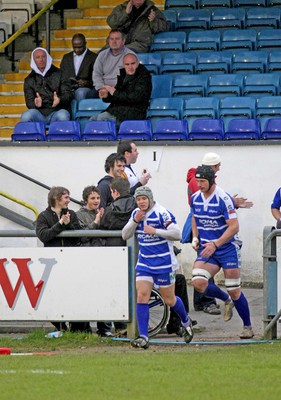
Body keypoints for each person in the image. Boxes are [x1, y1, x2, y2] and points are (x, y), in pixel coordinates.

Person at [122, 186, 194, 349]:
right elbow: (125, 235)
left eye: (143, 199)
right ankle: (144, 337)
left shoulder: (162, 213)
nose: (141, 202)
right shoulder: (136, 214)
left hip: (163, 263)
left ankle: (185, 321)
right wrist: (135, 221)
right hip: (144, 263)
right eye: (138, 199)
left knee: (169, 299)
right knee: (142, 297)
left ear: (150, 199)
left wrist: (155, 231)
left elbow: (177, 234)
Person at [190, 165, 254, 339]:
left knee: (234, 289)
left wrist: (216, 244)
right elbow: (195, 219)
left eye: (203, 181)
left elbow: (234, 227)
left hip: (226, 247)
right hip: (207, 247)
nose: (200, 185)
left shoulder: (223, 198)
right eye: (198, 181)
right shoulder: (195, 198)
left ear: (212, 181)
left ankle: (247, 326)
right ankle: (225, 300)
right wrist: (195, 237)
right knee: (198, 282)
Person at [36, 186, 83, 333]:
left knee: (73, 293)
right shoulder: (43, 216)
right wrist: (60, 224)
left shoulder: (72, 214)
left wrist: (67, 225)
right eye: (66, 197)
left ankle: (77, 329)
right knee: (51, 295)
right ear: (56, 199)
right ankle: (61, 326)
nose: (69, 200)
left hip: (69, 260)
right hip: (51, 262)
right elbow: (44, 235)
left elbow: (77, 236)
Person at [76, 185, 113, 337]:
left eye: (98, 198)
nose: (96, 201)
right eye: (93, 198)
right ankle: (83, 327)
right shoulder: (79, 215)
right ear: (86, 200)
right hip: (88, 257)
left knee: (104, 293)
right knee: (87, 293)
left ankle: (105, 328)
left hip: (102, 255)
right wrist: (97, 221)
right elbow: (82, 235)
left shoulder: (102, 212)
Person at [91, 53, 152, 128]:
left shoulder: (144, 77)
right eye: (127, 64)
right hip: (119, 111)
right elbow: (117, 95)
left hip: (134, 113)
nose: (130, 67)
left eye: (133, 63)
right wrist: (107, 95)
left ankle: (107, 139)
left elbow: (135, 97)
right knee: (92, 120)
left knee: (102, 118)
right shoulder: (123, 74)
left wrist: (114, 92)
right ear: (123, 65)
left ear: (138, 63)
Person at [21, 47, 73, 123]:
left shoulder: (60, 74)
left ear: (47, 58)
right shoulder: (29, 79)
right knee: (26, 116)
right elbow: (29, 102)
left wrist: (60, 100)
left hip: (57, 111)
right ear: (33, 60)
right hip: (39, 113)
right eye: (37, 57)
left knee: (63, 115)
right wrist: (36, 104)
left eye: (43, 56)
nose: (41, 60)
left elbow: (68, 94)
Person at [92, 29, 136, 96]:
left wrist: (115, 89)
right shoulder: (102, 55)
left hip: (122, 89)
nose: (114, 42)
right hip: (104, 88)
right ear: (108, 41)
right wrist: (101, 88)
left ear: (123, 41)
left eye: (117, 39)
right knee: (89, 96)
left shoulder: (130, 55)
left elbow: (133, 77)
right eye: (111, 39)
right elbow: (96, 74)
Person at [60, 33, 97, 102]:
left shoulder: (93, 57)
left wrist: (86, 83)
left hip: (86, 88)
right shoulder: (66, 57)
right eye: (74, 47)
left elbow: (97, 78)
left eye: (79, 47)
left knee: (80, 92)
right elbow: (61, 75)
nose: (77, 50)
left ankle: (80, 113)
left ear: (85, 44)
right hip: (68, 87)